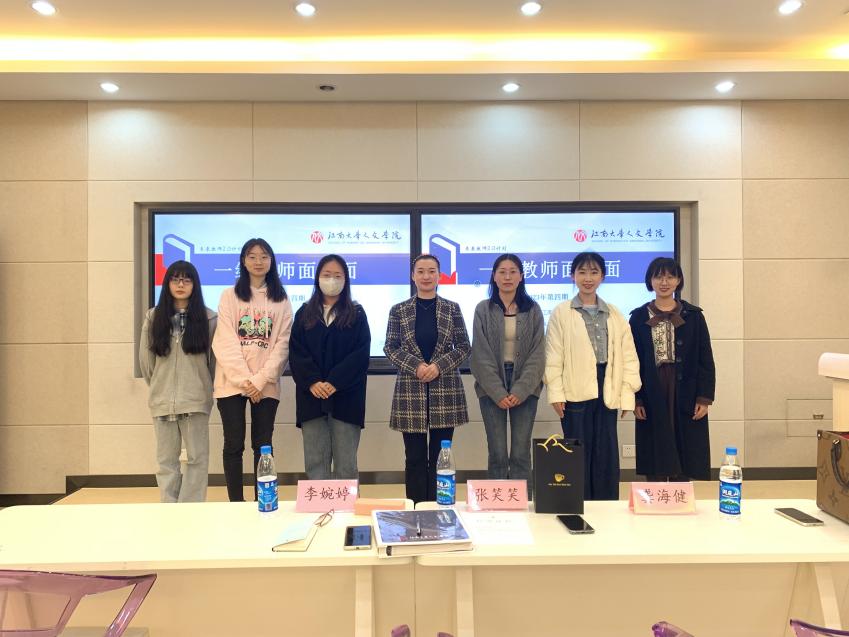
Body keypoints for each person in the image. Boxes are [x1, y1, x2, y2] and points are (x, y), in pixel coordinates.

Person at [544, 251, 641, 501]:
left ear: (603, 277)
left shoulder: (614, 313)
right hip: (574, 387)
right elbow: (553, 357)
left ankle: (606, 504)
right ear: (573, 275)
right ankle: (577, 501)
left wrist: (627, 395)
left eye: (594, 272)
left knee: (605, 449)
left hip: (608, 384)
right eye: (582, 272)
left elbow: (628, 356)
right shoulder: (561, 312)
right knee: (576, 448)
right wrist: (556, 393)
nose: (588, 278)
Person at [384, 254, 471, 504]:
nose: (426, 276)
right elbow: (390, 347)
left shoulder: (452, 308)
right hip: (410, 391)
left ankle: (438, 505)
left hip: (445, 391)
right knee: (414, 457)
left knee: (441, 456)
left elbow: (464, 346)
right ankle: (415, 506)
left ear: (439, 275)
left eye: (431, 271)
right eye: (420, 271)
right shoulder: (398, 310)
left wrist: (438, 366)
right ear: (413, 276)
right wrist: (417, 366)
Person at [212, 238, 293, 502]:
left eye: (264, 256)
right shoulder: (229, 295)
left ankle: (264, 500)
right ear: (243, 261)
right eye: (252, 256)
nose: (258, 262)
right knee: (233, 445)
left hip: (266, 385)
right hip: (231, 384)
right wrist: (246, 381)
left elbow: (282, 344)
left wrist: (259, 381)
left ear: (272, 262)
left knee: (263, 445)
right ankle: (236, 503)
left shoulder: (281, 300)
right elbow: (224, 342)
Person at [629, 257, 716, 481]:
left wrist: (704, 397)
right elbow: (631, 361)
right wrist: (636, 399)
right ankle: (657, 493)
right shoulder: (638, 317)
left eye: (670, 277)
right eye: (658, 277)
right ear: (650, 280)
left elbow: (705, 358)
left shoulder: (693, 316)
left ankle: (679, 492)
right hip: (652, 386)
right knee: (655, 446)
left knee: (685, 446)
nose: (664, 282)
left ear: (679, 280)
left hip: (685, 387)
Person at [140, 260, 216, 503]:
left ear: (195, 284)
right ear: (167, 284)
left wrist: (202, 389)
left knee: (197, 459)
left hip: (195, 401)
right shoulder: (153, 317)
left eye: (187, 279)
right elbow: (147, 364)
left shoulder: (209, 319)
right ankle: (170, 508)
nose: (181, 284)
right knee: (166, 461)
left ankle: (191, 508)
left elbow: (213, 364)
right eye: (175, 279)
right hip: (162, 401)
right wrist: (160, 386)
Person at [289, 254, 371, 480]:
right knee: (315, 463)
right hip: (311, 397)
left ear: (346, 280)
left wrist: (335, 382)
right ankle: (319, 503)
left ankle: (347, 504)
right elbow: (296, 351)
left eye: (337, 275)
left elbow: (360, 354)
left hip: (347, 398)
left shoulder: (357, 314)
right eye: (327, 275)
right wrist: (313, 381)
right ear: (317, 278)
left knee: (346, 465)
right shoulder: (304, 313)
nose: (332, 280)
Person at [470, 254, 545, 492]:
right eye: (502, 272)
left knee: (521, 452)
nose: (507, 277)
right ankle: (497, 503)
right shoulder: (483, 309)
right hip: (491, 385)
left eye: (513, 272)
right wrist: (497, 391)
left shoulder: (533, 309)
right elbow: (479, 354)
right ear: (494, 276)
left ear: (521, 276)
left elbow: (538, 354)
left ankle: (522, 502)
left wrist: (521, 390)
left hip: (526, 384)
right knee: (497, 452)